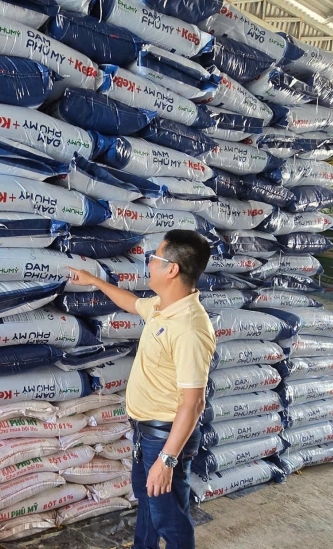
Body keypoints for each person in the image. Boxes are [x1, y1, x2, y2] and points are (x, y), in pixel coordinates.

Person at [69, 229, 215, 549]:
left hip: (166, 437)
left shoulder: (189, 328)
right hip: (147, 432)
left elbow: (193, 403)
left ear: (171, 269)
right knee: (148, 506)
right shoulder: (164, 307)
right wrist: (94, 281)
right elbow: (133, 303)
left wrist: (167, 460)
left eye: (154, 257)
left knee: (169, 519)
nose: (148, 263)